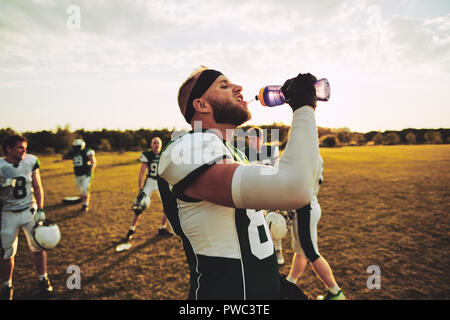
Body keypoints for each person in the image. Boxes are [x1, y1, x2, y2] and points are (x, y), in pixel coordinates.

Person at [157, 67, 320, 300]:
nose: (239, 88)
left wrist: (272, 282)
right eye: (224, 85)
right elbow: (295, 188)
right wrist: (304, 107)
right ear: (201, 105)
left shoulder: (235, 154)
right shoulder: (186, 149)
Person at [0, 135, 53, 300]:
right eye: (20, 147)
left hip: (29, 209)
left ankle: (43, 278)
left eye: (25, 147)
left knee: (38, 246)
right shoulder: (0, 166)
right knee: (7, 253)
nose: (24, 150)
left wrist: (41, 208)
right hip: (7, 213)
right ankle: (6, 285)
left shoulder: (30, 161)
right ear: (8, 149)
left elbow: (37, 185)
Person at [286, 155, 346, 300]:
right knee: (301, 251)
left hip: (304, 211)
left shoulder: (303, 156)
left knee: (311, 253)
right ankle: (290, 282)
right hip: (311, 207)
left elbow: (293, 185)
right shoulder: (315, 156)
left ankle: (335, 291)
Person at [243, 127, 286, 265]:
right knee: (253, 224)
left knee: (274, 221)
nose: (252, 142)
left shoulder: (270, 151)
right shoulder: (244, 153)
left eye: (255, 138)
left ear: (261, 139)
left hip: (269, 192)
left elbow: (276, 172)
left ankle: (278, 250)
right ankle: (258, 252)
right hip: (252, 194)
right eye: (250, 139)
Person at [125, 137, 172, 241]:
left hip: (161, 182)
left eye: (158, 143)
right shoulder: (147, 155)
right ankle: (131, 229)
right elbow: (142, 172)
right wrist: (140, 188)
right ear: (151, 145)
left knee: (168, 205)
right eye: (154, 143)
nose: (156, 145)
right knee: (139, 205)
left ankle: (162, 227)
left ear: (161, 144)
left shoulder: (165, 154)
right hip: (150, 181)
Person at [60, 138, 96, 212]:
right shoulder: (73, 152)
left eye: (78, 147)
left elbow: (93, 161)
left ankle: (85, 205)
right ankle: (82, 200)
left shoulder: (86, 151)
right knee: (81, 191)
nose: (76, 149)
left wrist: (90, 170)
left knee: (85, 190)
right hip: (77, 174)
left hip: (86, 174)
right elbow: (65, 157)